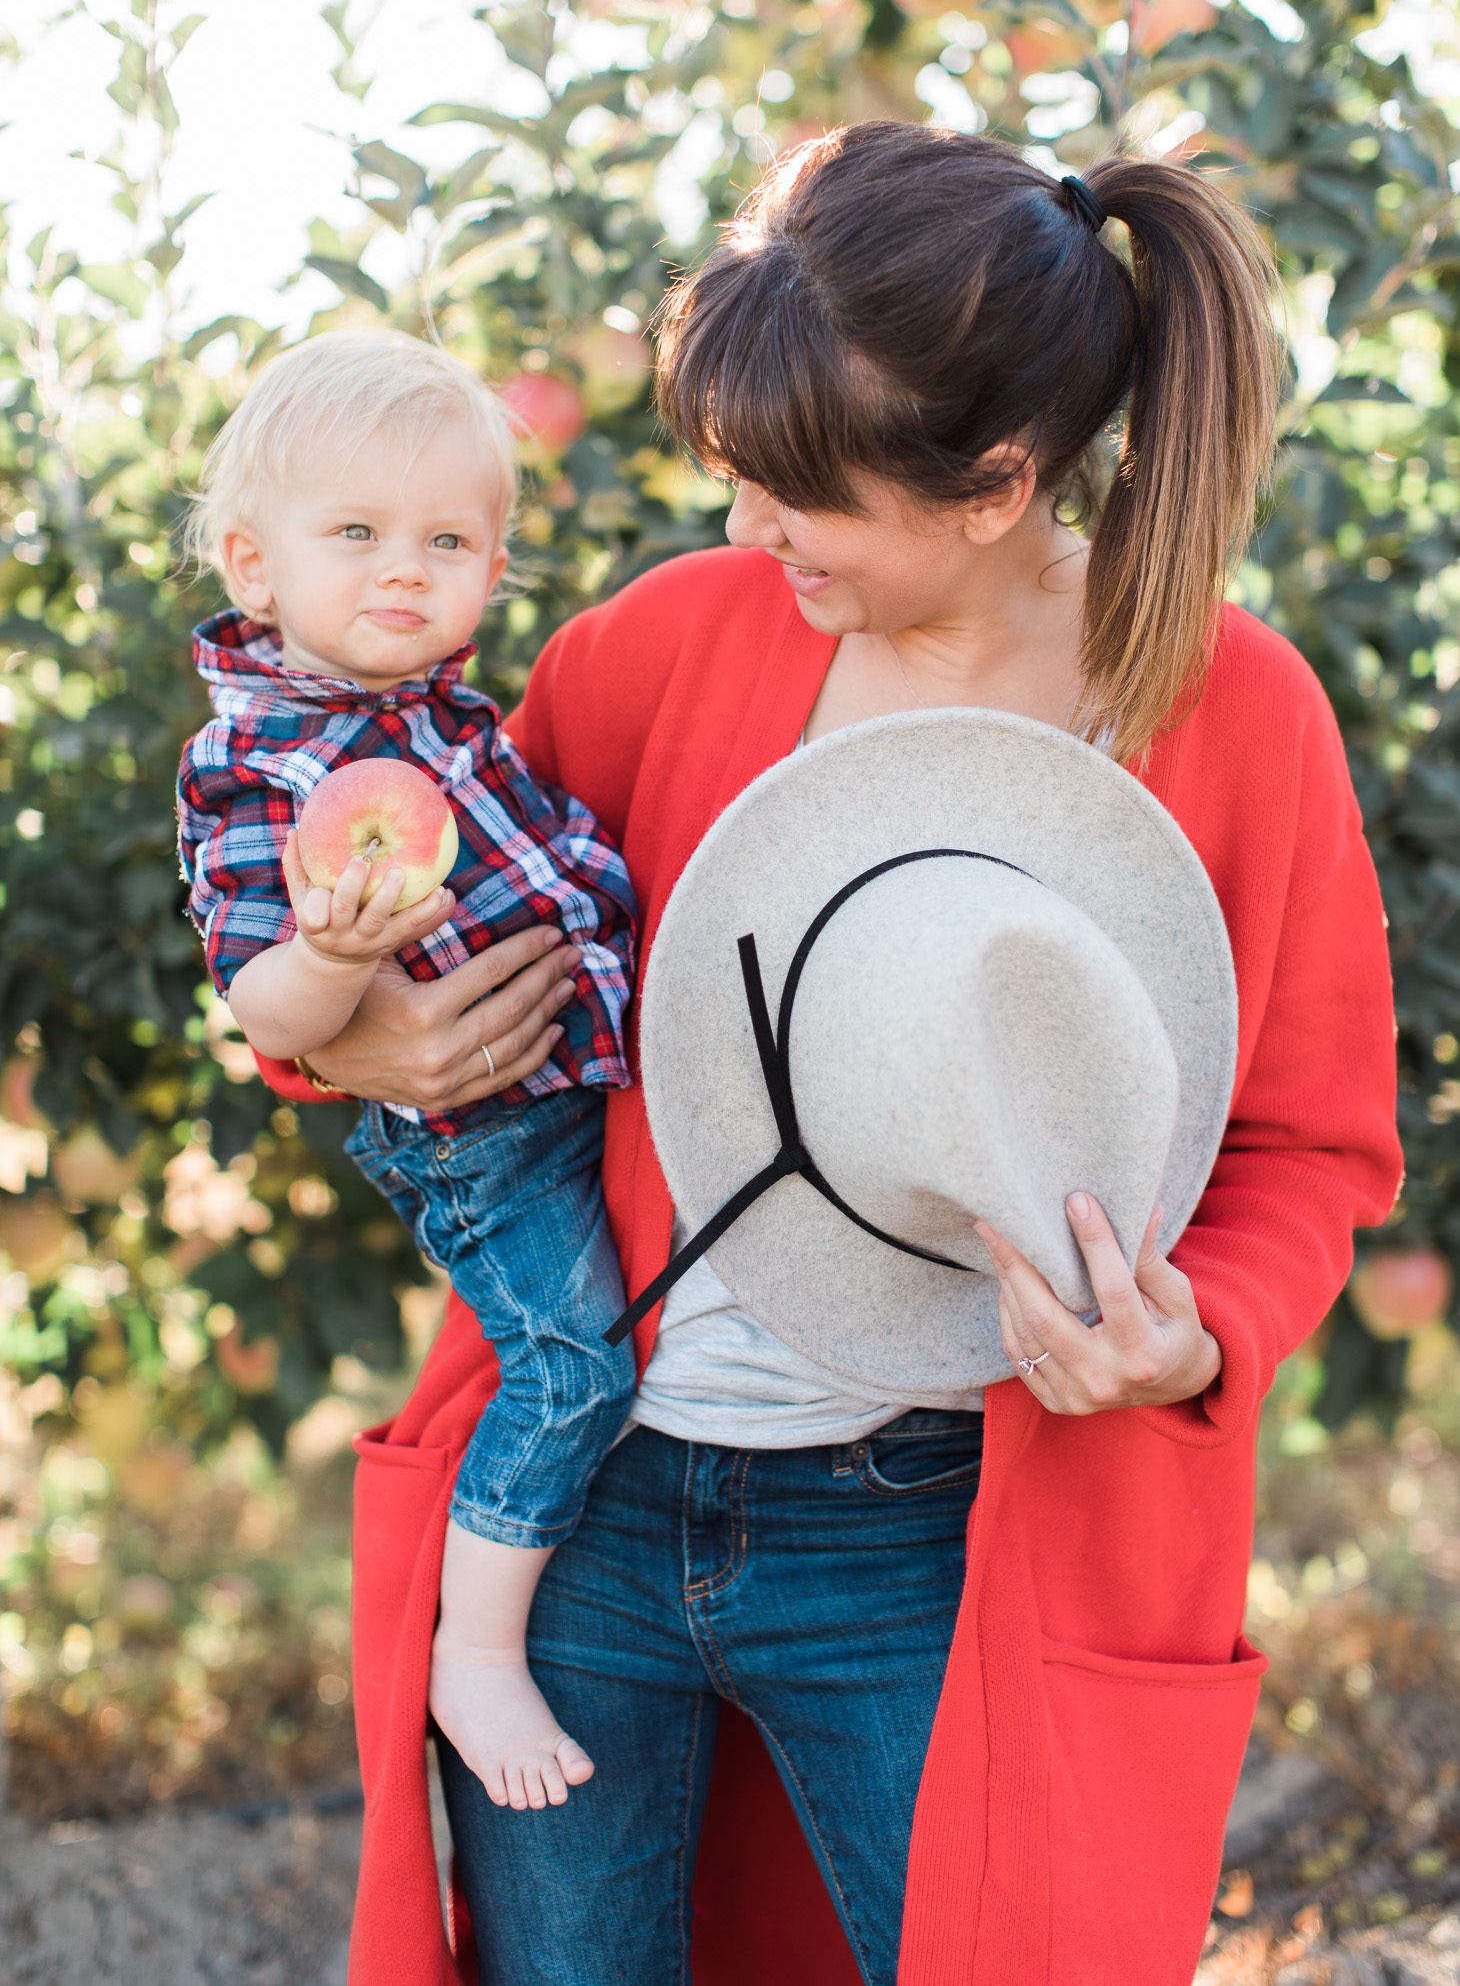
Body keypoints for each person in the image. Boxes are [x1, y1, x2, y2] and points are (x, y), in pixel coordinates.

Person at [255, 127, 1404, 1986]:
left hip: (942, 1527)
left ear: (996, 484)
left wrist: (1195, 1334)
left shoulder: (1226, 709)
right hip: (583, 1509)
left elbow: (1314, 1145)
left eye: (802, 496)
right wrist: (373, 1031)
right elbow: (401, 893)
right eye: (737, 479)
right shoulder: (670, 650)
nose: (745, 531)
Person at [176, 329, 640, 1815]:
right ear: (255, 565)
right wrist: (332, 950)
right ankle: (478, 1645)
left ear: (494, 572)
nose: (404, 568)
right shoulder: (262, 757)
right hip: (481, 1139)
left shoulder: (438, 711)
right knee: (575, 1364)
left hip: (556, 1100)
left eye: (449, 540)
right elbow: (265, 994)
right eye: (358, 533)